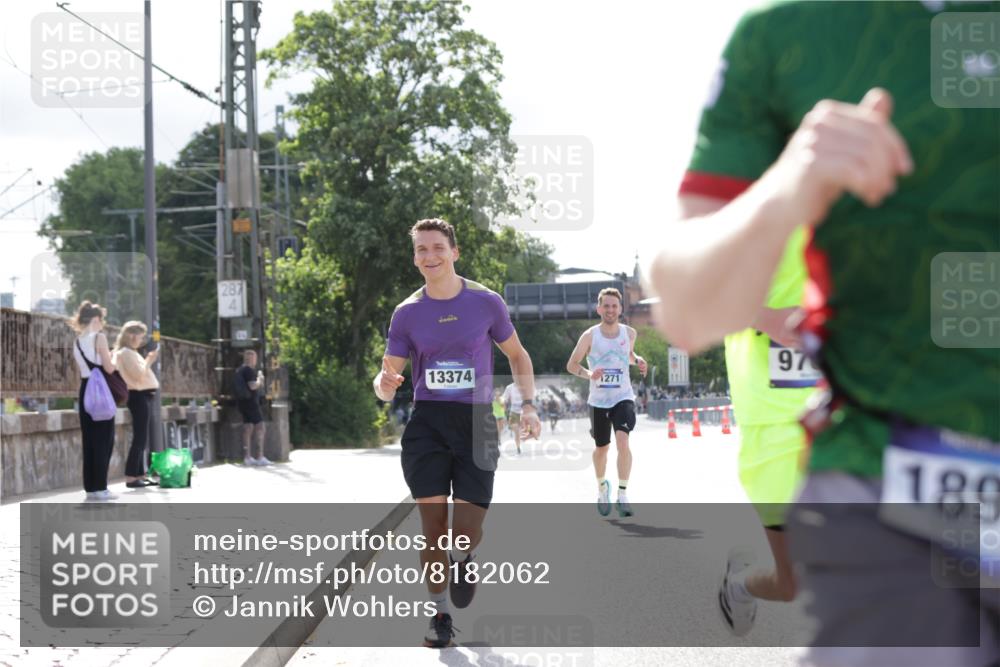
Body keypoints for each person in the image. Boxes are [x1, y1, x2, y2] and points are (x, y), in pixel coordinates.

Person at [648, 2, 999, 664]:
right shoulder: (786, 38)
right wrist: (791, 183)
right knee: (797, 578)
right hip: (883, 470)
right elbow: (685, 310)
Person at [373, 218, 541, 648]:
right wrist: (384, 384)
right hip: (427, 423)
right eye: (421, 250)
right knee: (432, 528)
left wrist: (528, 404)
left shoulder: (486, 302)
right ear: (415, 257)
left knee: (463, 531)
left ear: (454, 252)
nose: (429, 257)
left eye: (437, 248)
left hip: (477, 422)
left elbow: (518, 356)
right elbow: (386, 375)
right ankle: (439, 613)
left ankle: (463, 556)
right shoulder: (407, 312)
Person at [566, 287, 647, 518]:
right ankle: (602, 488)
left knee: (623, 442)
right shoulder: (590, 336)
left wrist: (638, 360)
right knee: (602, 449)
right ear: (599, 308)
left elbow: (628, 355)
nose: (610, 310)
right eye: (606, 306)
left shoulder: (629, 333)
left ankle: (622, 494)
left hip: (623, 396)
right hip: (598, 401)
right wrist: (589, 374)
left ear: (620, 309)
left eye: (614, 306)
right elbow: (572, 365)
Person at [70, 301, 118, 502]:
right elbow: (109, 368)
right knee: (104, 440)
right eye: (102, 320)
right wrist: (114, 357)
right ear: (96, 319)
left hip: (85, 391)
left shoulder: (78, 341)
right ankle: (101, 488)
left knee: (89, 441)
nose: (103, 324)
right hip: (100, 391)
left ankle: (90, 488)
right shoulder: (99, 337)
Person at [112, 321, 160, 489]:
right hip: (138, 395)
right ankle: (132, 476)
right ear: (132, 336)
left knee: (142, 437)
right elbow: (139, 374)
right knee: (140, 437)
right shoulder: (126, 353)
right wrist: (150, 359)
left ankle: (138, 474)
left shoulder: (128, 352)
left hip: (140, 396)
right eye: (140, 336)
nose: (141, 340)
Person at [234, 349, 270, 466]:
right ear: (251, 359)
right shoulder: (249, 370)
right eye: (254, 358)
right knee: (260, 427)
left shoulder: (240, 370)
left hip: (242, 403)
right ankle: (260, 457)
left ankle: (247, 457)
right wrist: (260, 380)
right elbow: (253, 386)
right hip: (251, 403)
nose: (255, 360)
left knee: (248, 428)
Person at [501, 380, 524, 454]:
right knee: (516, 431)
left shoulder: (525, 385)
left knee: (522, 430)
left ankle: (523, 436)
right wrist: (503, 404)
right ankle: (518, 447)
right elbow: (504, 398)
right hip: (514, 411)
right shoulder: (509, 387)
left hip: (523, 410)